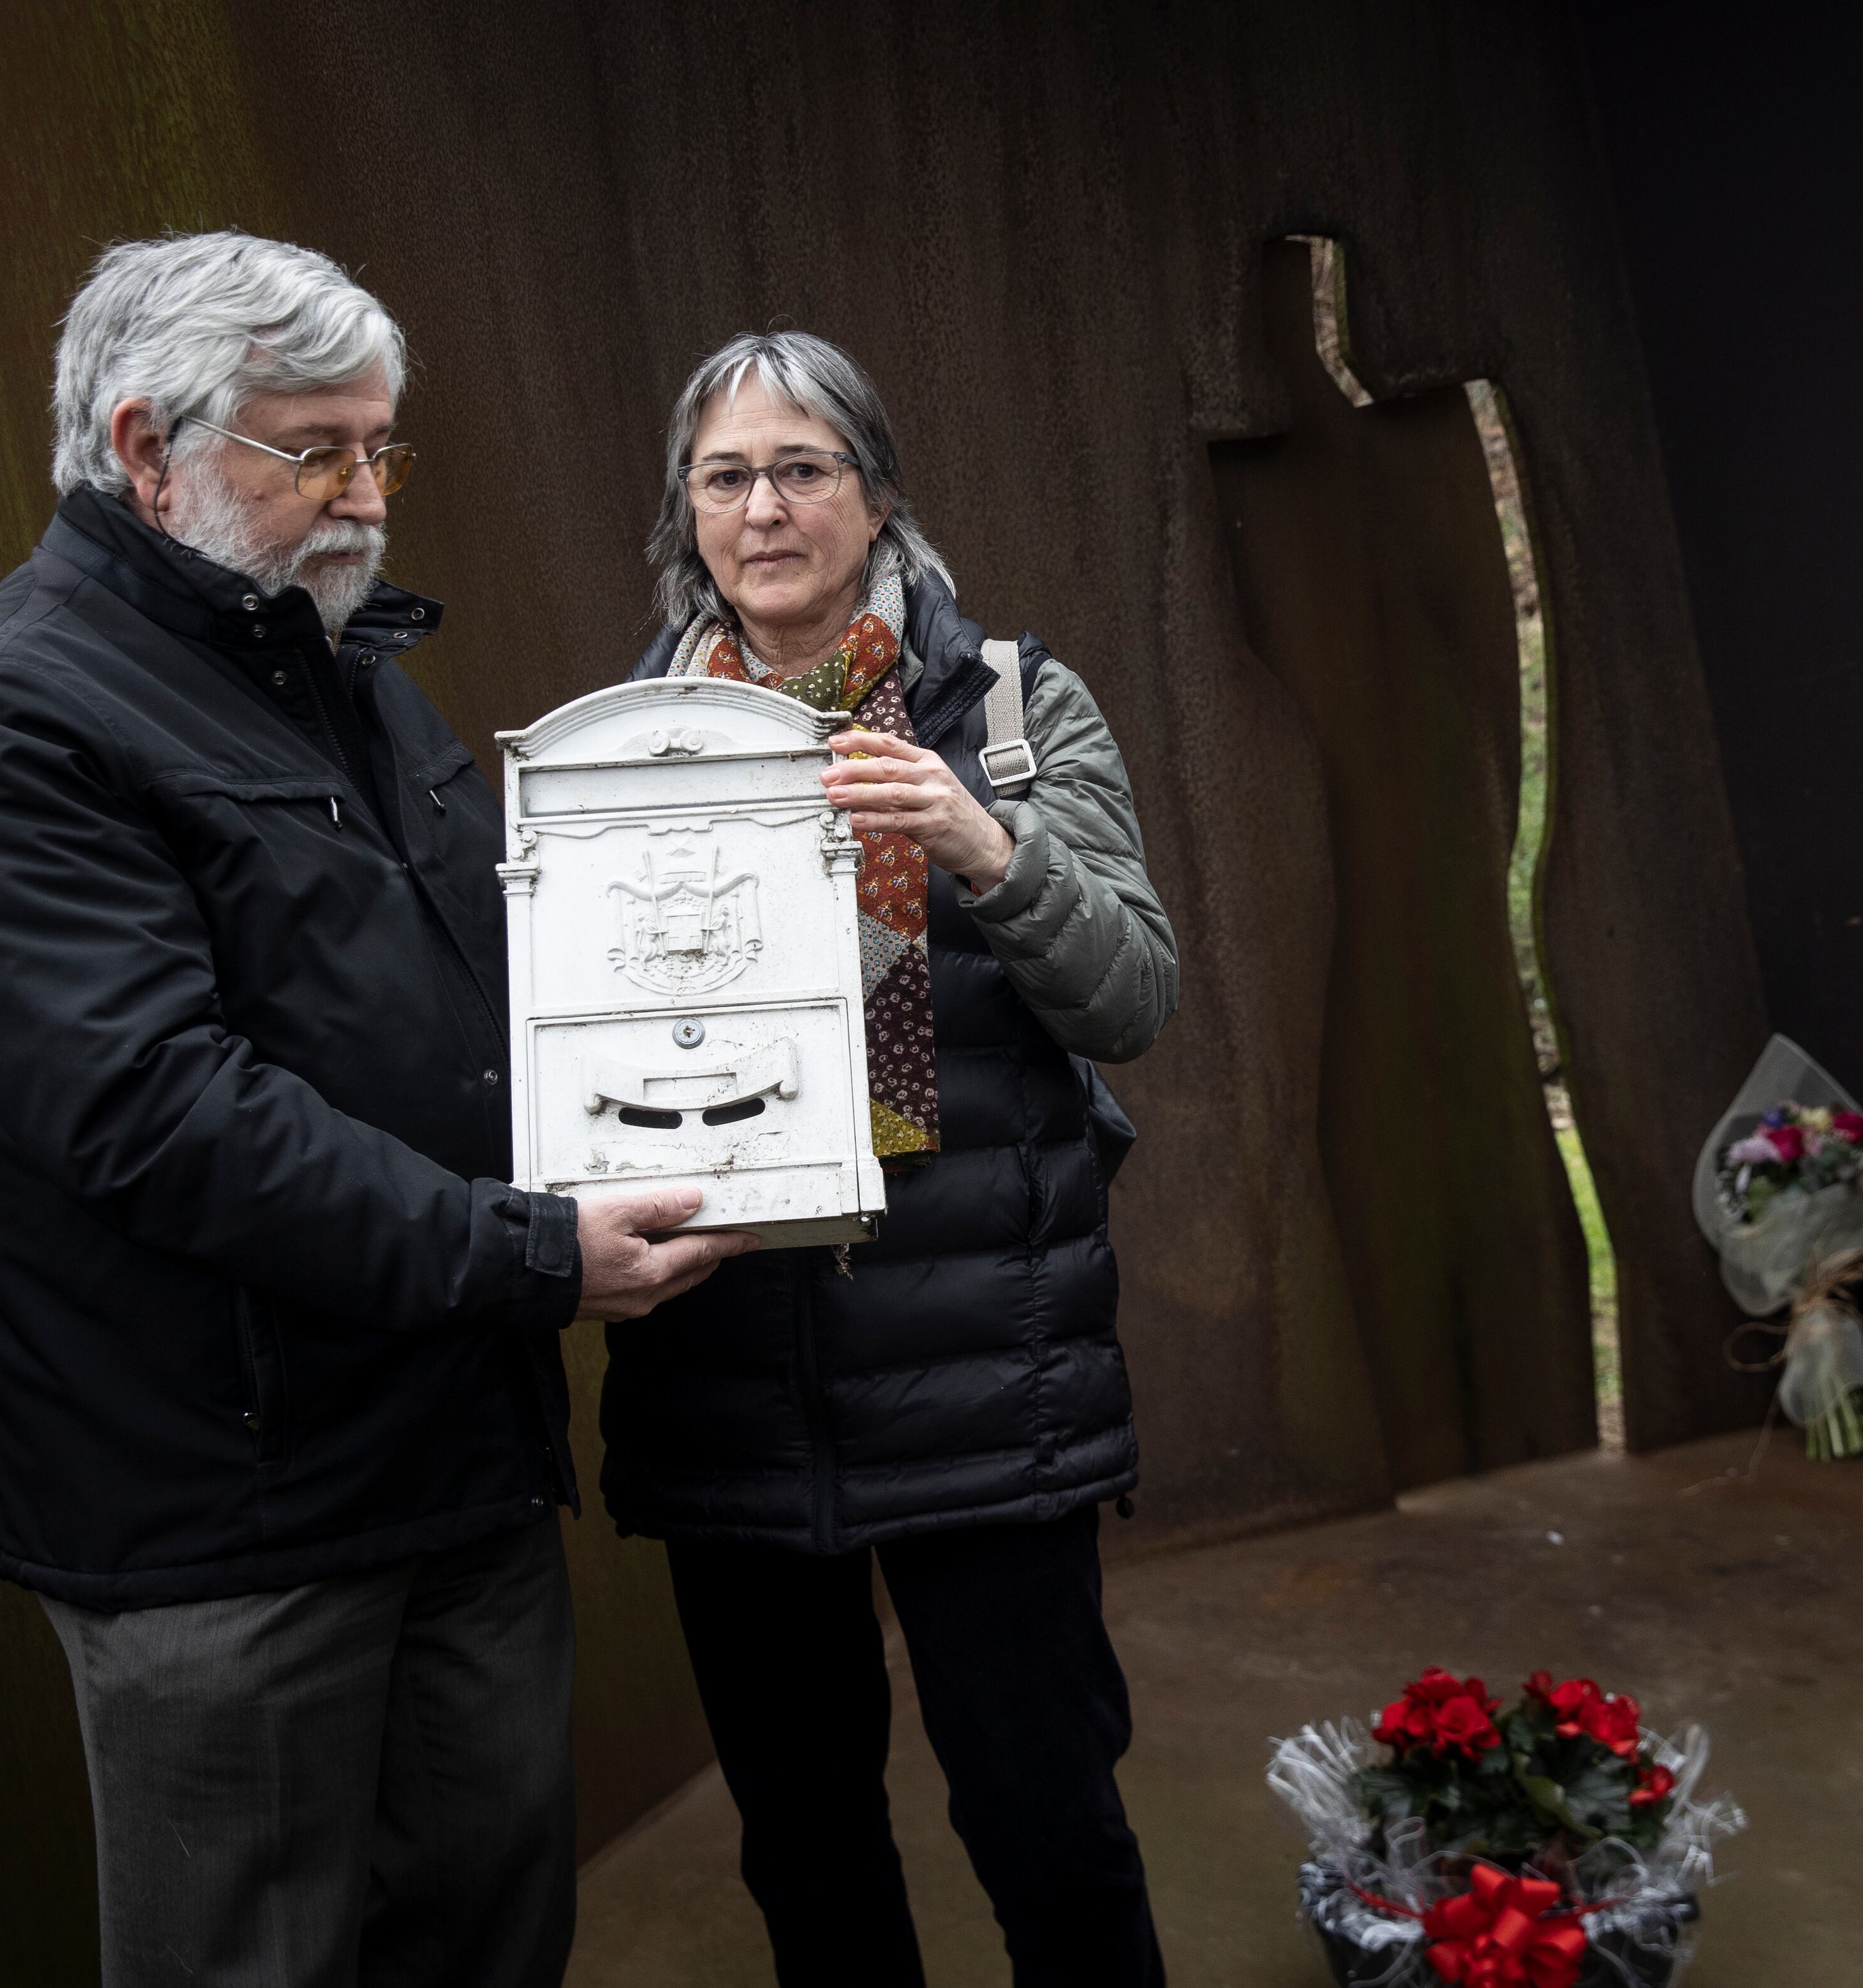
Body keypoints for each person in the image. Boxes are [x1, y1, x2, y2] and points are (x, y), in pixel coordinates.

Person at [0, 231, 747, 1988]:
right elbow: (160, 1112)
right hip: (225, 1520)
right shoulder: (3, 724)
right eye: (315, 449)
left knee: (494, 1934)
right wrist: (530, 1251)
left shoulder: (350, 668)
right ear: (143, 448)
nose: (364, 494)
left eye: (381, 448)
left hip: (455, 1458)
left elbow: (496, 995)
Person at [597, 330, 1178, 1986]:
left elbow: (1133, 994)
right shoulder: (621, 751)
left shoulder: (1004, 705)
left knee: (1049, 1824)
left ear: (877, 493)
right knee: (810, 1851)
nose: (765, 507)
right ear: (685, 514)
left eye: (804, 468)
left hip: (990, 1377)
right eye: (728, 476)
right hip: (732, 1385)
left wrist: (984, 841)